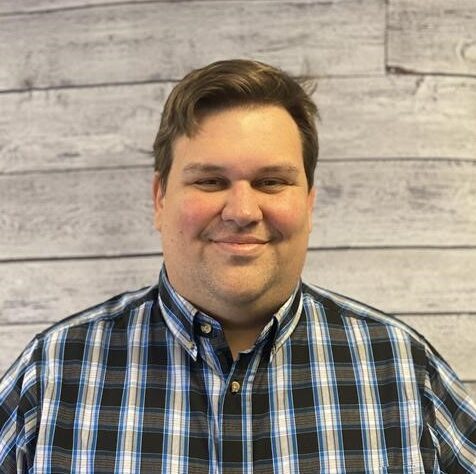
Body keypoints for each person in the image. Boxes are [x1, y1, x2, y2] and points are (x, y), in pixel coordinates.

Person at [0, 59, 475, 473]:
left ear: (308, 204)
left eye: (271, 181)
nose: (242, 210)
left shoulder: (401, 368)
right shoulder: (54, 372)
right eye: (209, 181)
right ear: (160, 199)